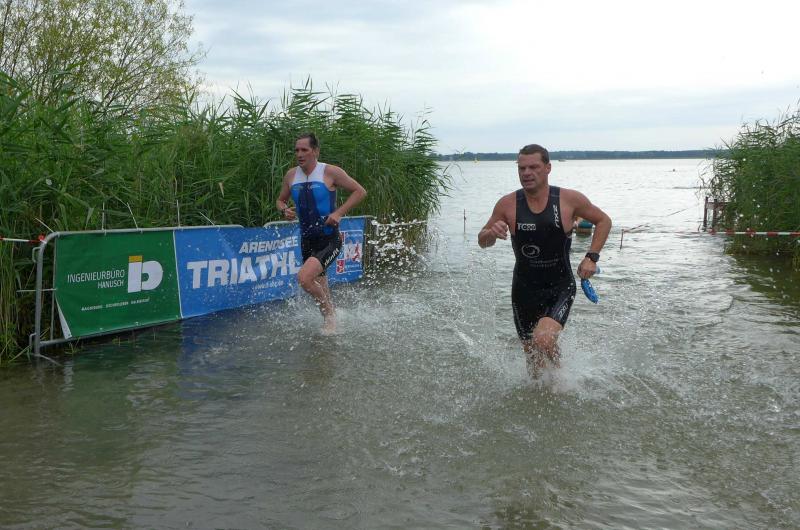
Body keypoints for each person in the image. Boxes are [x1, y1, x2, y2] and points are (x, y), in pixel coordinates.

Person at [478, 143, 611, 377]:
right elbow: (482, 241)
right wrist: (491, 233)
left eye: (533, 167)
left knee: (543, 339)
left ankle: (561, 379)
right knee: (533, 359)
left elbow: (603, 221)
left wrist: (591, 257)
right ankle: (546, 389)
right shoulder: (508, 204)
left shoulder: (568, 199)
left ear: (548, 168)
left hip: (559, 286)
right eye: (522, 168)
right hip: (523, 289)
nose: (527, 173)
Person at [277, 133, 367, 333]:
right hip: (306, 240)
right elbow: (280, 200)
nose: (299, 154)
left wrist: (338, 213)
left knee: (304, 278)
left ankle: (329, 315)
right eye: (297, 150)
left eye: (304, 150)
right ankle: (331, 321)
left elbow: (360, 191)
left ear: (315, 151)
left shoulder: (329, 172)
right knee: (320, 282)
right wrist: (284, 210)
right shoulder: (291, 175)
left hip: (329, 238)